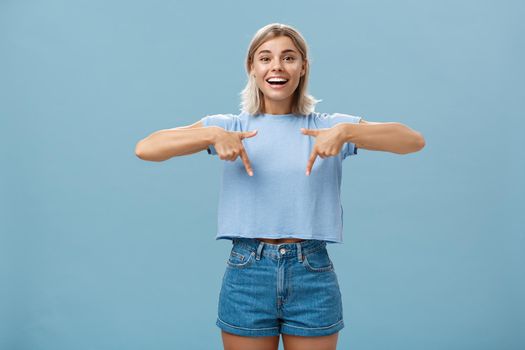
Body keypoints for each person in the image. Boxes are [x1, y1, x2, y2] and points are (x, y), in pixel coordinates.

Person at [135, 23, 425, 350]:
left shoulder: (327, 127)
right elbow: (146, 148)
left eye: (288, 58)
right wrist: (210, 135)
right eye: (265, 58)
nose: (277, 66)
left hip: (311, 271)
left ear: (302, 68)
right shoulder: (230, 127)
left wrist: (347, 132)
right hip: (247, 272)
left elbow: (412, 141)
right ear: (252, 68)